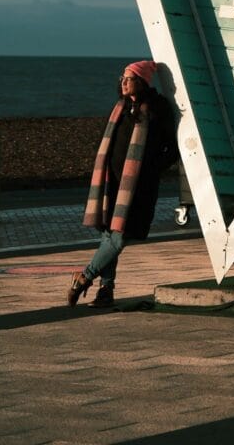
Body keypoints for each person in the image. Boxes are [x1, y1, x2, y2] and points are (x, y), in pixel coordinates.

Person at [67, 60, 179, 308]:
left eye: (130, 78)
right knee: (109, 236)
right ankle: (106, 291)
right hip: (113, 182)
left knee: (119, 239)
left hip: (139, 187)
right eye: (122, 78)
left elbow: (172, 148)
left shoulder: (157, 107)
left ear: (142, 81)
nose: (124, 82)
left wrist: (151, 170)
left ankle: (84, 277)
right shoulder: (120, 106)